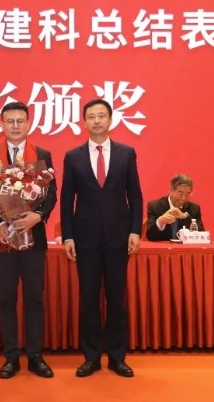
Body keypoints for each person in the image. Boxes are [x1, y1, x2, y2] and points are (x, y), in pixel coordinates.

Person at [60, 99, 143, 378]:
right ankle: (92, 357)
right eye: (91, 117)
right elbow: (67, 200)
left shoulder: (126, 153)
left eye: (101, 116)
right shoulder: (73, 156)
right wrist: (68, 236)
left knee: (117, 300)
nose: (96, 121)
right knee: (88, 300)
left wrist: (135, 231)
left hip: (119, 238)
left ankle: (117, 357)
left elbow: (135, 196)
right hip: (85, 239)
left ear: (110, 120)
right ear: (84, 122)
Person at [0, 101, 57, 379]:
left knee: (34, 298)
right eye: (9, 121)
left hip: (33, 238)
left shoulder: (42, 154)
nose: (15, 126)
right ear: (2, 124)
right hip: (3, 239)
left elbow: (51, 194)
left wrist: (39, 216)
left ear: (28, 123)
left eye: (20, 121)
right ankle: (11, 356)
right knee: (6, 298)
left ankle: (35, 355)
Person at [146, 174, 204, 241]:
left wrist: (184, 217)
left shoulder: (194, 208)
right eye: (180, 193)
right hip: (164, 247)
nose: (183, 198)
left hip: (186, 247)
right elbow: (150, 237)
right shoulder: (155, 206)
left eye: (187, 194)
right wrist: (160, 222)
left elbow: (201, 235)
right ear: (171, 190)